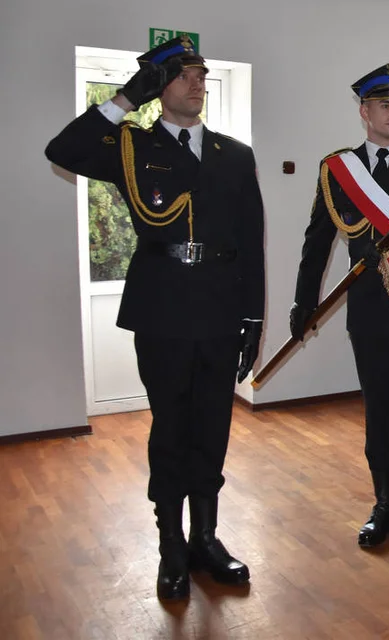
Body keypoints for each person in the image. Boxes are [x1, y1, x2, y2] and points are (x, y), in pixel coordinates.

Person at [45, 36, 265, 600]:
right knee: (171, 427)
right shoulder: (131, 148)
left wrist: (255, 319)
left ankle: (206, 540)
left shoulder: (234, 154)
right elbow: (64, 150)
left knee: (213, 428)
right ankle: (171, 544)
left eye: (201, 73)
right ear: (160, 86)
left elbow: (251, 240)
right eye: (184, 73)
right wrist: (123, 99)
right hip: (163, 307)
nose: (197, 81)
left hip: (220, 307)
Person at [291, 64, 389, 555]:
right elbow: (317, 239)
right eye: (386, 105)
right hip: (367, 309)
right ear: (364, 112)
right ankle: (383, 504)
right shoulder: (339, 169)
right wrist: (304, 299)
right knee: (378, 409)